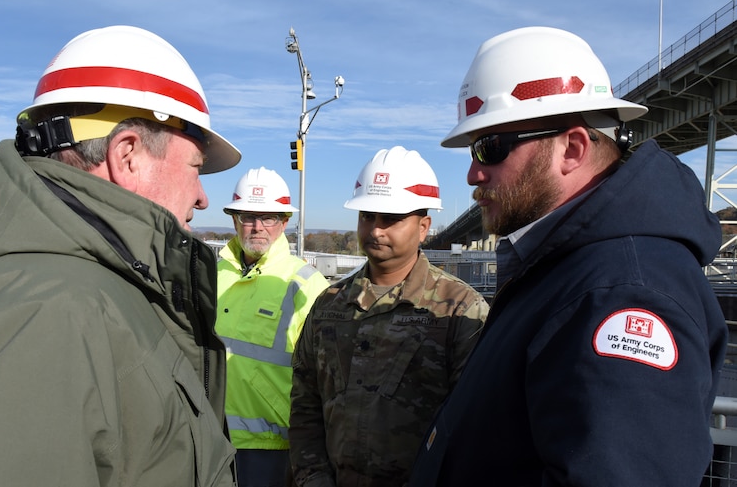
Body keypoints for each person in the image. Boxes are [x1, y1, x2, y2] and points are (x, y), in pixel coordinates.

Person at [408, 26, 729, 487]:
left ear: (573, 148)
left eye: (490, 147)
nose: (473, 173)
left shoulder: (623, 294)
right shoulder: (568, 268)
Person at [0, 25, 242, 487]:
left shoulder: (90, 286)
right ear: (129, 155)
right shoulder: (49, 314)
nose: (203, 197)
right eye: (195, 167)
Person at [289, 145, 490, 487]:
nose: (376, 230)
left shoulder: (458, 309)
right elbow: (306, 403)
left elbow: (477, 428)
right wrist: (313, 478)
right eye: (367, 216)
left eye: (391, 219)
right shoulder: (329, 304)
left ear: (424, 226)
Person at [216, 167, 330, 487]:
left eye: (268, 218)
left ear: (284, 222)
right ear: (234, 219)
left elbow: (323, 377)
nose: (257, 227)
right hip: (208, 434)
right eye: (248, 217)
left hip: (270, 448)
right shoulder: (210, 275)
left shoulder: (304, 285)